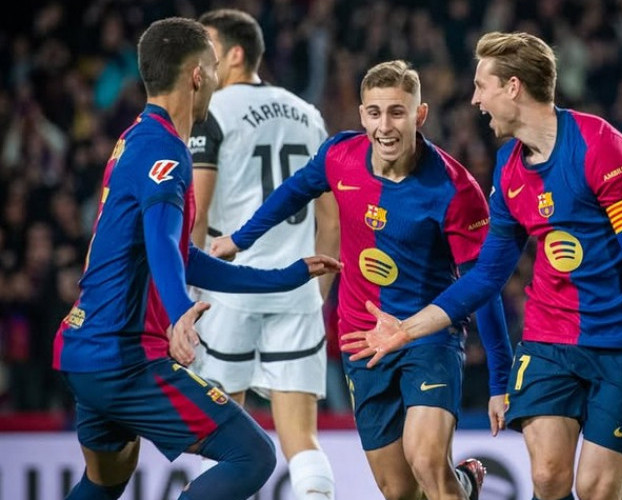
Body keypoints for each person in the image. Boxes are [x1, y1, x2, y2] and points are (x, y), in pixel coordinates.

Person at [340, 32, 622, 500]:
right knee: (548, 478)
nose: (474, 99)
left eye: (481, 86)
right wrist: (408, 330)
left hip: (621, 343)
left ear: (512, 88)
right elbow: (488, 273)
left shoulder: (600, 146)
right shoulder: (509, 166)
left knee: (595, 490)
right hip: (549, 339)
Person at [52, 17, 340, 500]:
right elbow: (166, 247)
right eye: (209, 66)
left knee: (104, 484)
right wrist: (180, 312)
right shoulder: (166, 151)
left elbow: (182, 253)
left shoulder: (137, 139)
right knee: (254, 455)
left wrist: (282, 277)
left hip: (85, 349)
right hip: (125, 358)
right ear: (198, 76)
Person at [210, 59, 515, 500]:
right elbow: (295, 190)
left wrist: (499, 380)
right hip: (361, 339)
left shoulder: (454, 190)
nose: (385, 126)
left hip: (426, 339)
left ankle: (455, 483)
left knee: (427, 460)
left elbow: (484, 286)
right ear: (361, 115)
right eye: (374, 113)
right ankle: (465, 483)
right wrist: (240, 239)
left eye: (397, 112)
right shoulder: (340, 155)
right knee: (398, 490)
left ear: (420, 115)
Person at [188, 9, 339, 500]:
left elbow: (197, 209)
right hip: (297, 290)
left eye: (208, 46)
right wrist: (318, 292)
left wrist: (185, 292)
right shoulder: (309, 113)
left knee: (229, 442)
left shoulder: (211, 111)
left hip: (228, 291)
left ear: (235, 53)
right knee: (302, 439)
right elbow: (330, 217)